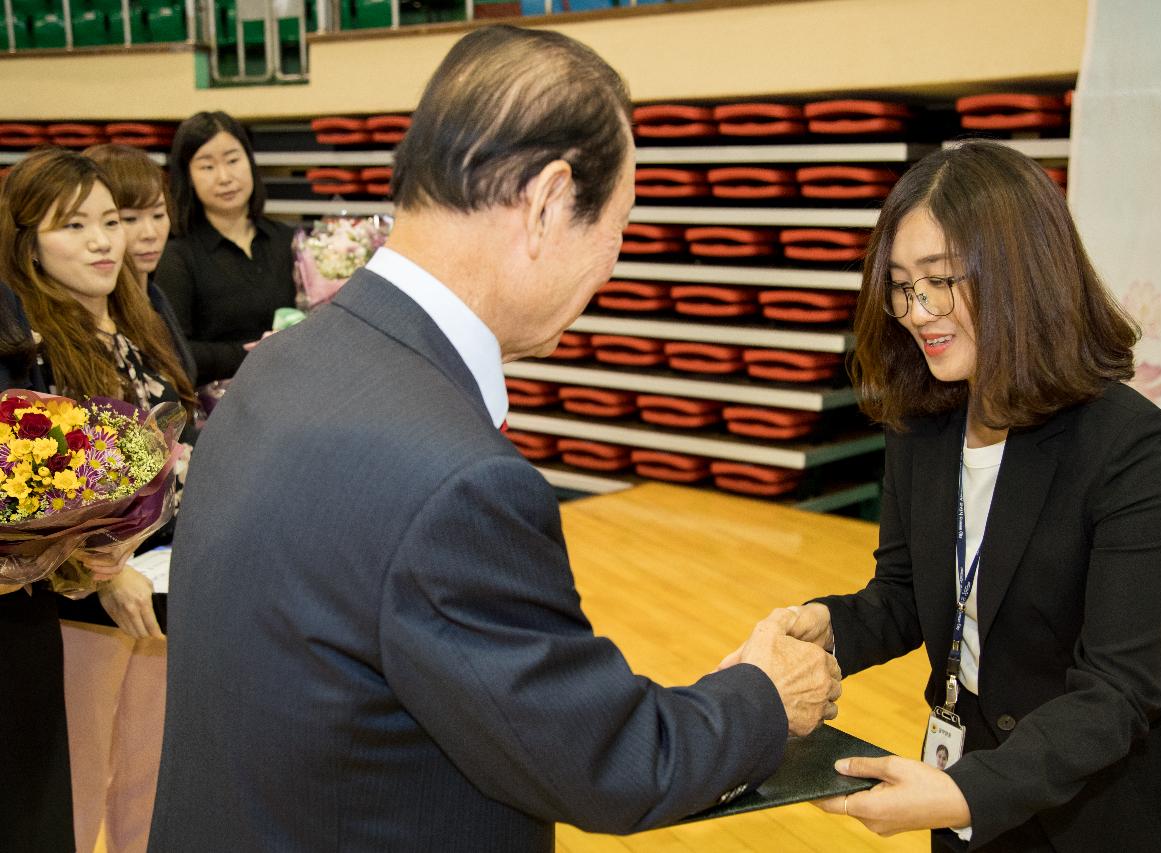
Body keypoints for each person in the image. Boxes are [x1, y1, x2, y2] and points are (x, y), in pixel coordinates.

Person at [149, 25, 841, 853]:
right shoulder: (457, 483)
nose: (615, 263)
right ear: (550, 203)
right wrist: (762, 694)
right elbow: (605, 761)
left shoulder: (286, 360)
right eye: (619, 225)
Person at [728, 141, 1161, 852]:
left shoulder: (1129, 444)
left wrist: (967, 790)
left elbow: (1118, 690)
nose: (916, 310)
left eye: (939, 280)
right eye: (902, 285)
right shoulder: (923, 423)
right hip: (962, 787)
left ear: (1022, 271)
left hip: (1098, 811)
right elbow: (906, 593)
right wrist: (825, 624)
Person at [0, 147, 199, 853]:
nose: (101, 241)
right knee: (78, 796)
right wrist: (103, 570)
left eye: (109, 220)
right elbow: (31, 495)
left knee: (153, 784)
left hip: (168, 582)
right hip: (80, 604)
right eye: (72, 226)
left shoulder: (142, 312)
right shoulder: (30, 346)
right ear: (27, 244)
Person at [0, 281, 75, 853]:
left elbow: (42, 422)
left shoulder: (5, 298)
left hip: (22, 599)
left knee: (34, 812)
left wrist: (72, 527)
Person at [152, 111, 295, 385]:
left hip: (289, 390)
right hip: (216, 405)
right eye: (207, 167)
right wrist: (248, 353)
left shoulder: (285, 239)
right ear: (187, 176)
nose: (225, 177)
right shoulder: (177, 256)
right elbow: (173, 350)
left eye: (233, 160)